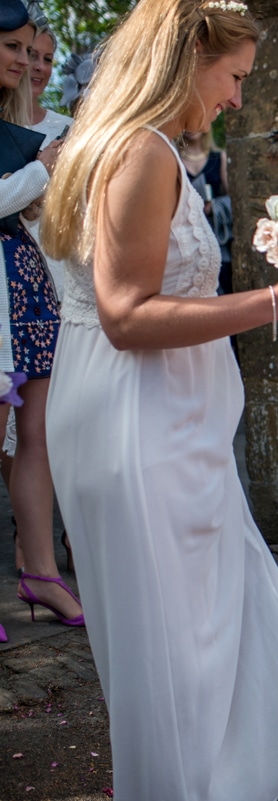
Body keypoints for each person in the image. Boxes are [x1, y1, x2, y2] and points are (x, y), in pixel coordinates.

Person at [40, 1, 278, 796]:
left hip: (153, 417)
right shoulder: (141, 153)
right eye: (235, 77)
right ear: (185, 59)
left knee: (184, 632)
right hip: (141, 422)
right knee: (174, 642)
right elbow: (127, 315)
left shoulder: (104, 144)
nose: (240, 98)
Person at [0, 0, 80, 623]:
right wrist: (38, 171)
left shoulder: (26, 122)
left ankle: (41, 573)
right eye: (18, 49)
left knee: (38, 436)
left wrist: (37, 184)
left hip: (27, 279)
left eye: (36, 53)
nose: (30, 63)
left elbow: (30, 212)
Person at [179, 129, 234, 295]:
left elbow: (234, 199)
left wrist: (214, 207)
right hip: (187, 237)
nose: (191, 128)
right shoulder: (175, 160)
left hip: (216, 235)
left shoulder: (219, 157)